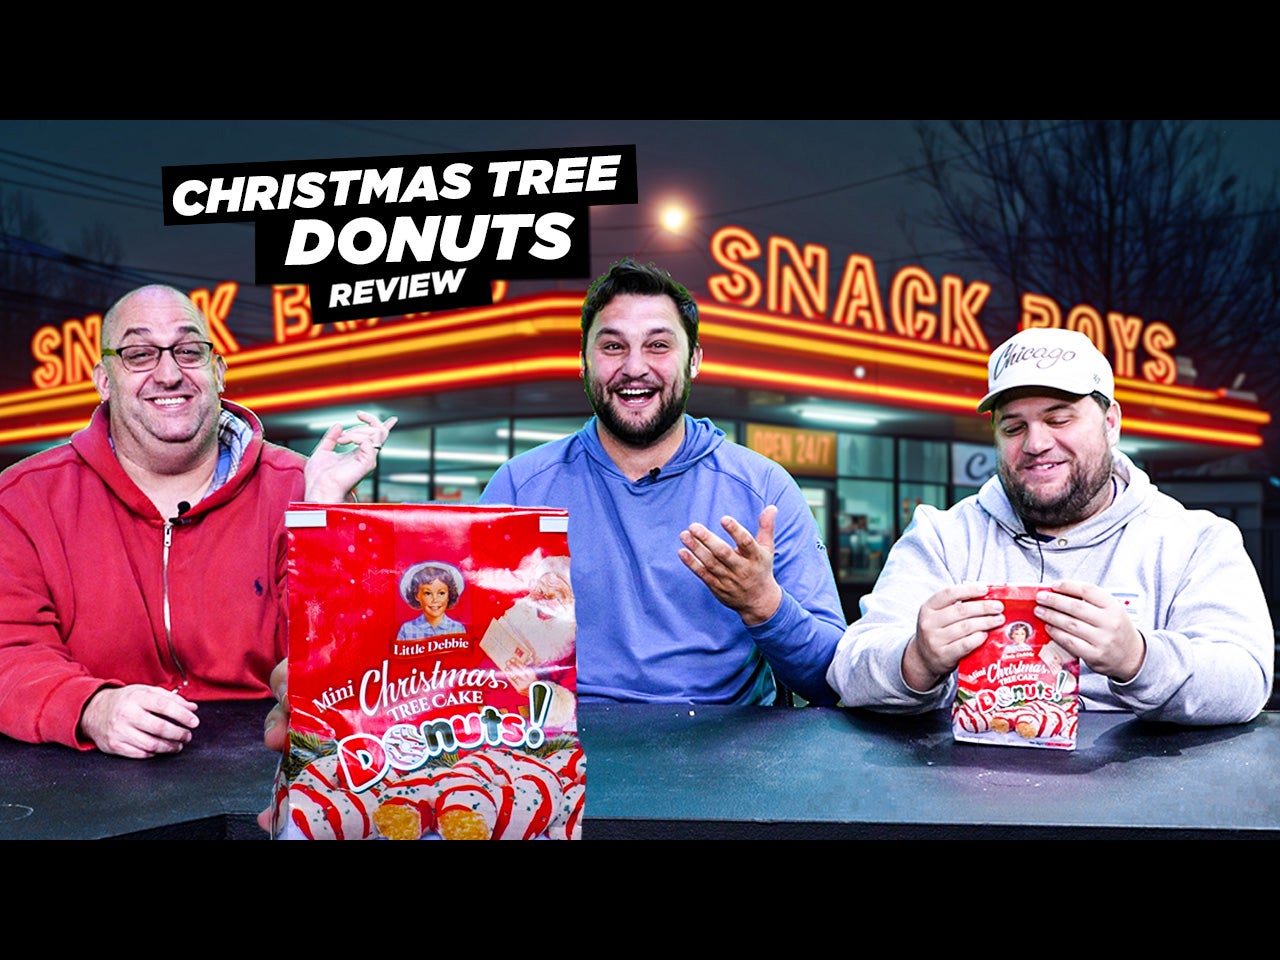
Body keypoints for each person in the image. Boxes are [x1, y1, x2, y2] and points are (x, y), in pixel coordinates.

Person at [0, 284, 394, 759]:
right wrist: (91, 707)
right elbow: (9, 651)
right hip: (86, 783)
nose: (169, 373)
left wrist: (324, 515)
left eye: (189, 350)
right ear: (104, 380)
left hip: (266, 768)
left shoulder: (299, 488)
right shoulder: (24, 499)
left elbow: (355, 655)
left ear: (218, 371)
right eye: (139, 353)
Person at [826, 326, 1274, 726]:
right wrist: (916, 661)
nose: (1037, 444)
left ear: (1111, 423)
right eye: (1014, 426)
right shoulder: (943, 537)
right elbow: (850, 668)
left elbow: (1245, 681)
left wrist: (1137, 657)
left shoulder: (1194, 540)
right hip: (967, 800)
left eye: (1059, 418)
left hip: (1137, 806)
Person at [477, 258, 845, 706]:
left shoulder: (764, 489)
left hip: (727, 755)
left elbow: (830, 679)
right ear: (583, 363)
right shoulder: (520, 488)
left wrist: (763, 605)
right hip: (559, 750)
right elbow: (460, 649)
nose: (635, 367)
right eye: (613, 346)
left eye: (657, 345)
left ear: (693, 361)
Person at [397, 561, 467, 639]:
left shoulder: (458, 629)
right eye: (428, 593)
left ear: (449, 595)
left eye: (441, 593)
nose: (435, 600)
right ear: (417, 596)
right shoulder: (407, 629)